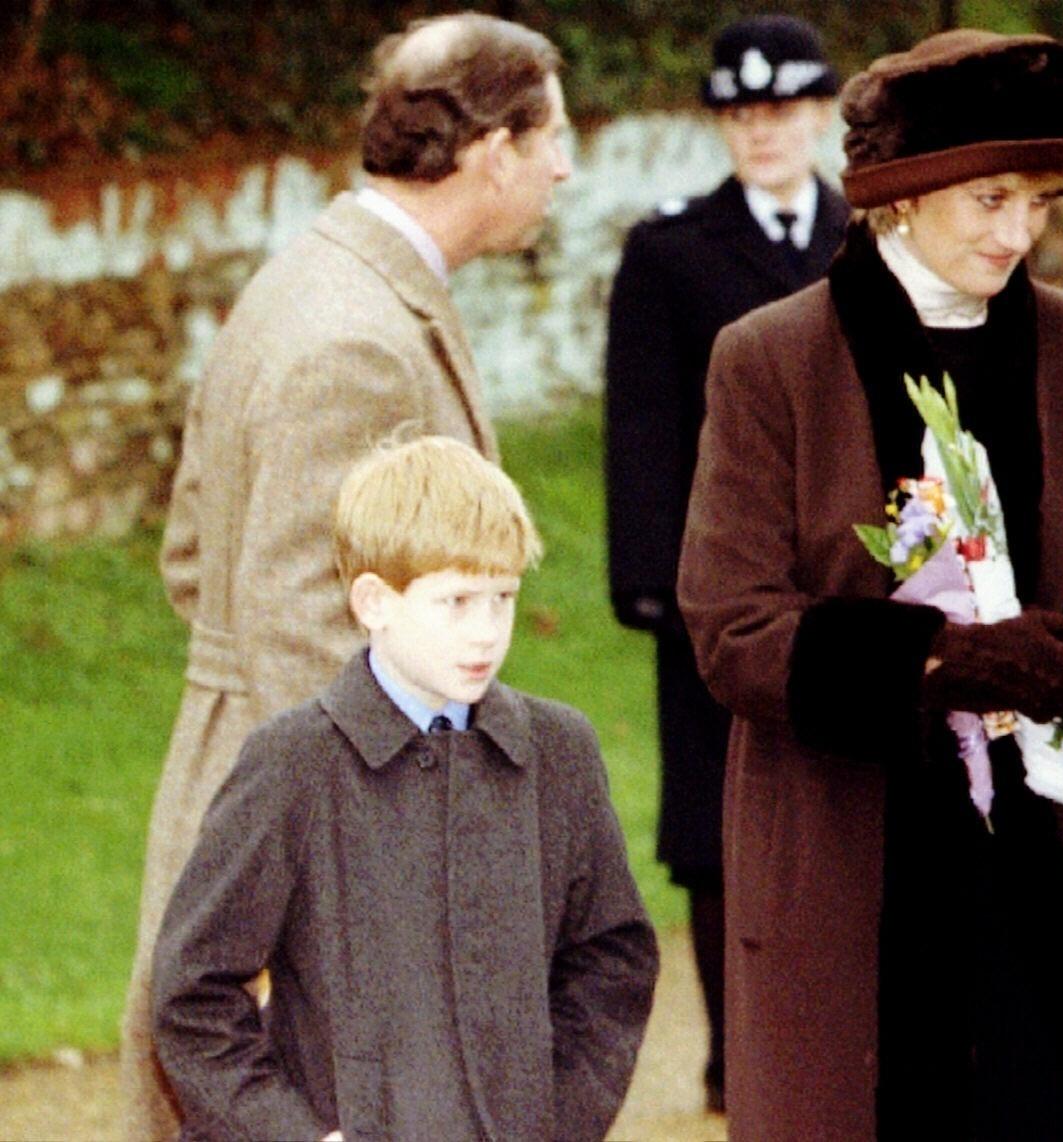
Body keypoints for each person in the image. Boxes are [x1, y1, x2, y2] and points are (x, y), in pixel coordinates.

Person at [676, 29, 1063, 1138]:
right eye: (989, 199)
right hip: (859, 857)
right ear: (901, 198)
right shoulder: (770, 357)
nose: (1019, 231)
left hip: (1050, 860)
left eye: (1038, 202)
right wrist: (938, 658)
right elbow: (732, 626)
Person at [121, 13, 574, 1137]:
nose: (567, 167)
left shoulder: (325, 280)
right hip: (309, 827)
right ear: (493, 149)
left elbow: (193, 558)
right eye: (555, 135)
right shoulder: (355, 336)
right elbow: (300, 624)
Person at [152, 435, 657, 1141]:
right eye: (455, 601)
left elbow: (613, 957)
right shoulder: (294, 764)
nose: (486, 632)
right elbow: (190, 995)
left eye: (503, 598)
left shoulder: (558, 753)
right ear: (373, 602)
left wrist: (559, 1119)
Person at [603, 13, 845, 1112]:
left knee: (838, 803)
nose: (764, 133)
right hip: (719, 582)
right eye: (743, 116)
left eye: (783, 111)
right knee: (714, 828)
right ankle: (734, 1054)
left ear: (819, 115)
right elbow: (644, 421)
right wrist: (655, 583)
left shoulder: (865, 232)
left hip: (845, 577)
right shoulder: (670, 250)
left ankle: (834, 1029)